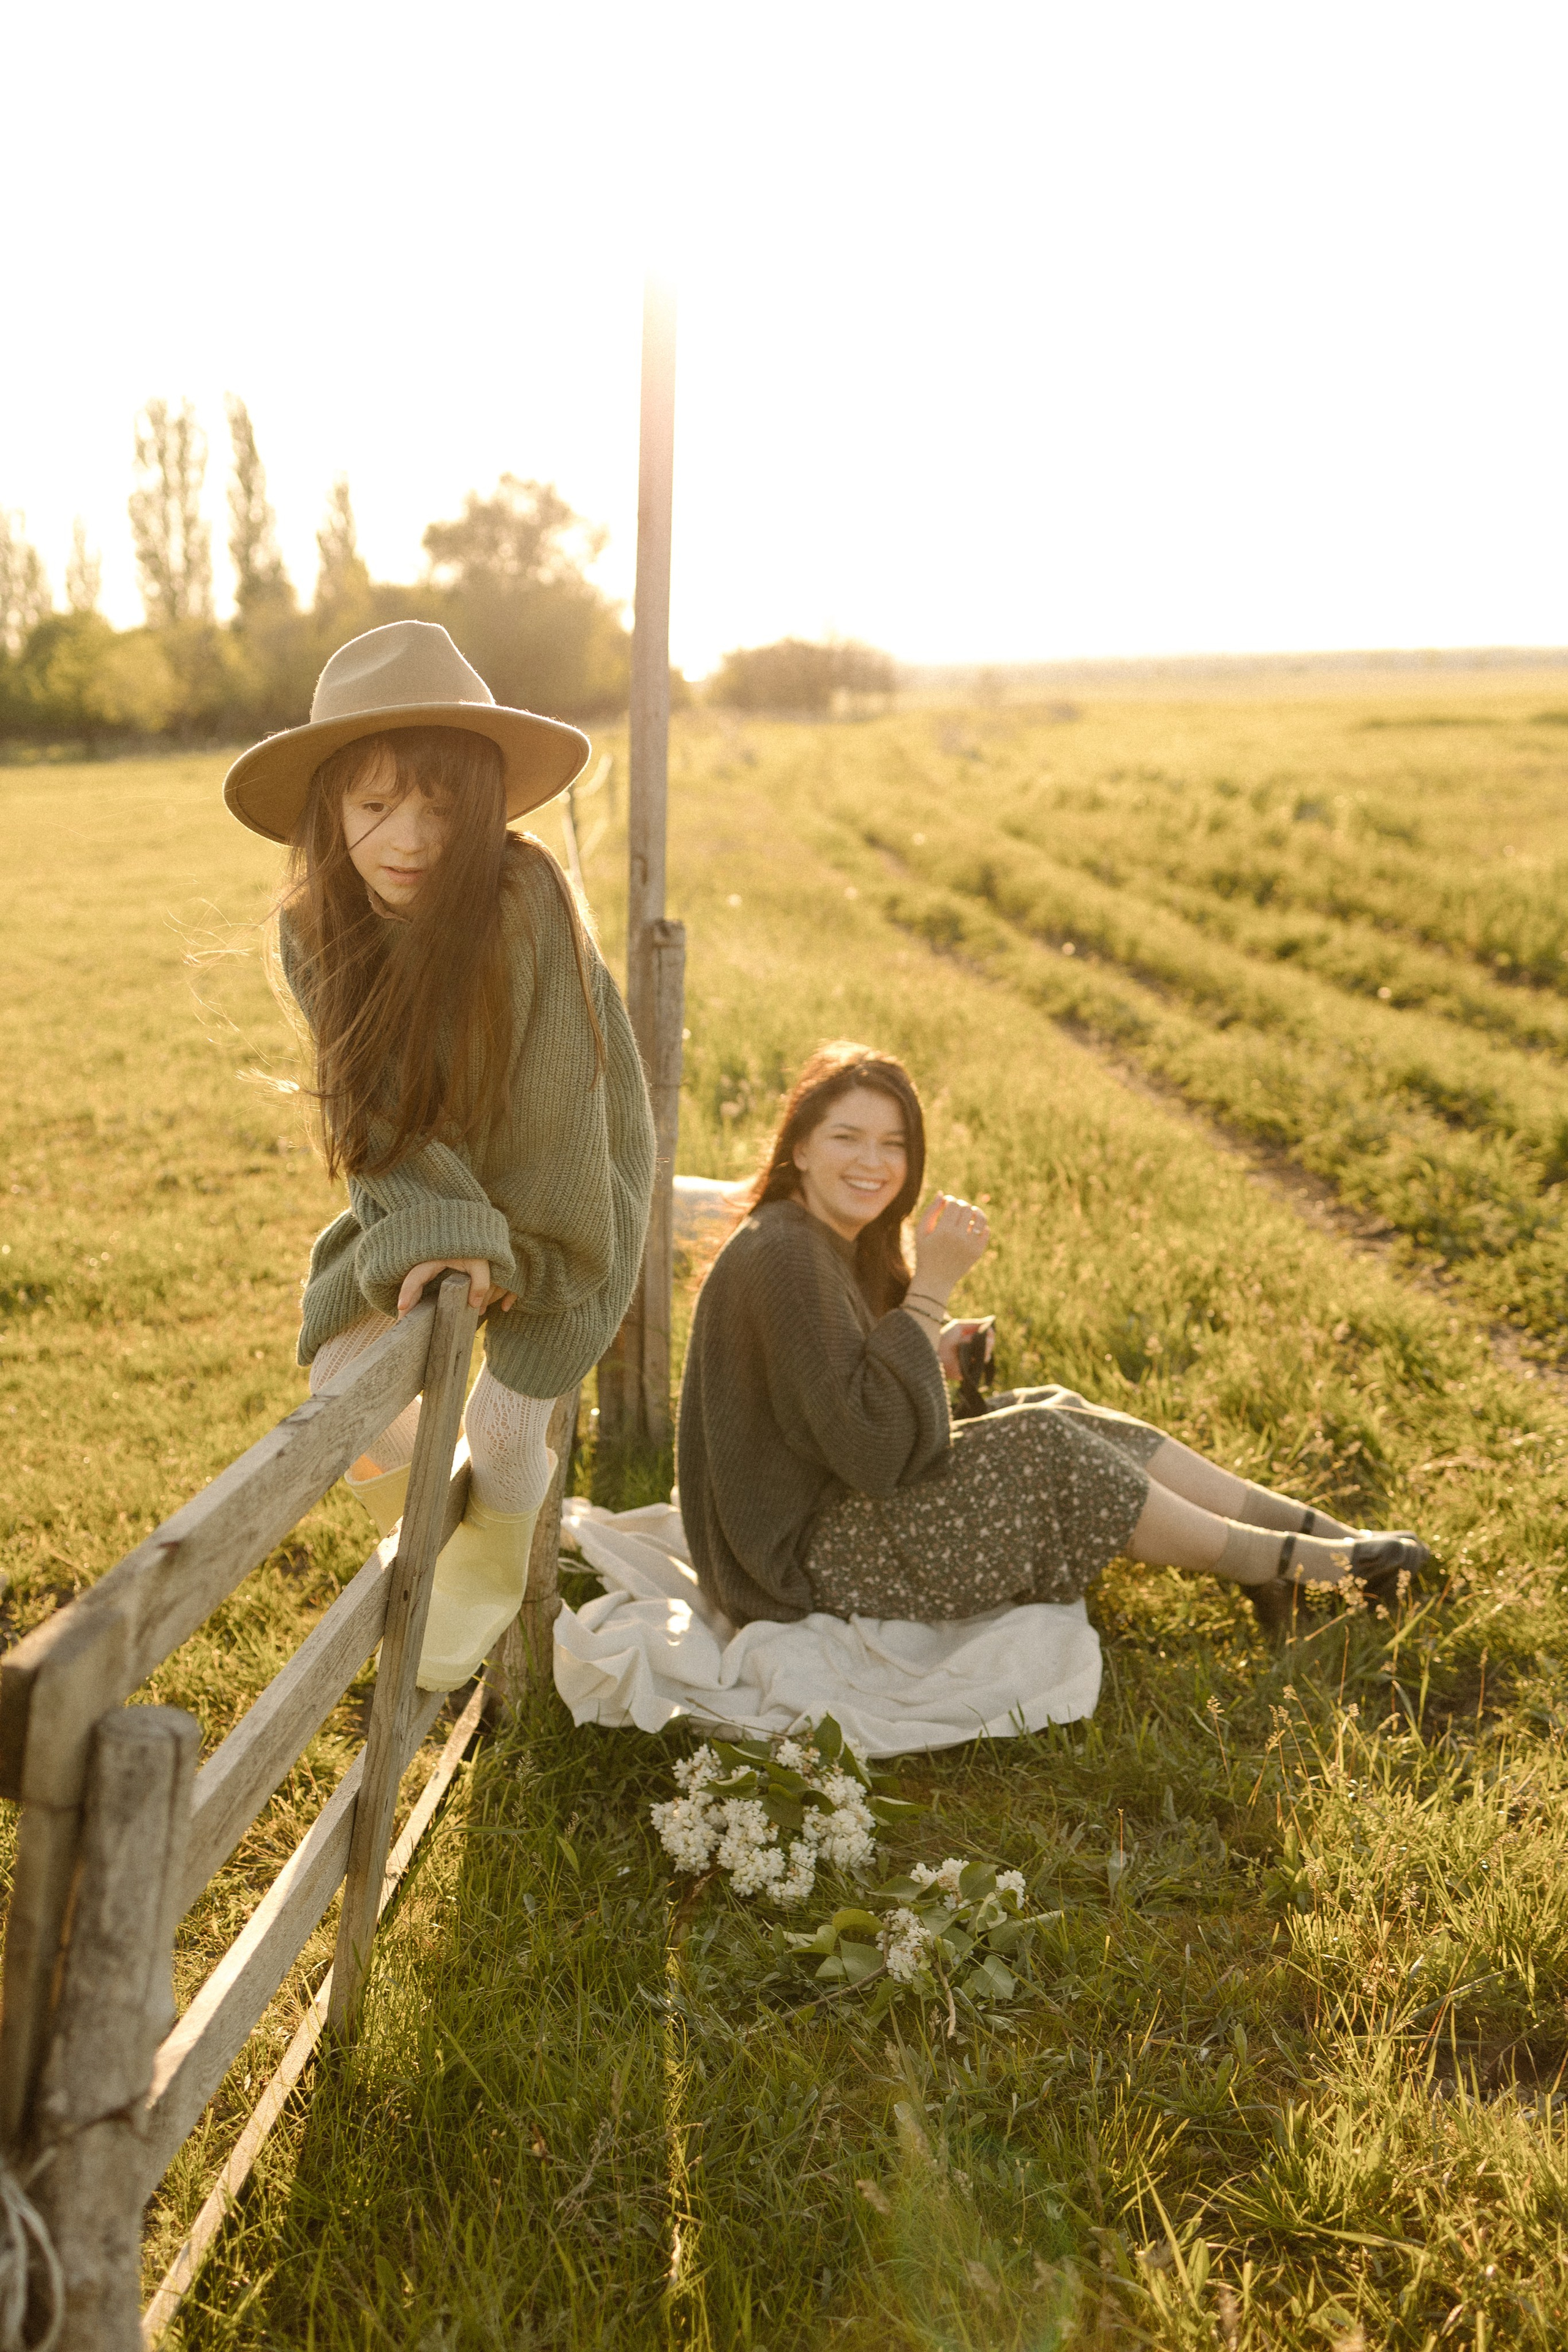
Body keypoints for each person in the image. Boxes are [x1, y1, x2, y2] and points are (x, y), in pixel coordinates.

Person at [224, 620, 655, 1689]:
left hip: (566, 1184)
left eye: (440, 806)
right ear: (333, 810)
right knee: (341, 1376)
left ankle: (501, 1539)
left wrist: (506, 1252)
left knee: (508, 1422)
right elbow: (369, 1111)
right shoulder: (318, 925)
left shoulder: (525, 902)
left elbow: (560, 1102)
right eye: (374, 806)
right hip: (424, 1179)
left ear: (483, 811)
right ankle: (428, 1540)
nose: (407, 838)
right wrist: (442, 1231)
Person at [676, 1041, 1427, 1637]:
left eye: (892, 1143)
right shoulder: (784, 1253)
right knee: (1042, 1443)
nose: (872, 1163)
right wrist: (931, 1288)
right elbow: (871, 1454)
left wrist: (927, 1348)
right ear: (799, 1149)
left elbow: (831, 1395)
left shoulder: (821, 1240)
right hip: (792, 1565)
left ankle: (1322, 1539)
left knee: (1053, 1406)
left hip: (822, 1515)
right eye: (847, 1137)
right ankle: (1314, 1571)